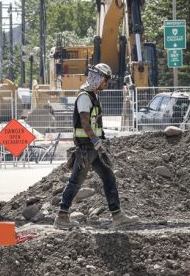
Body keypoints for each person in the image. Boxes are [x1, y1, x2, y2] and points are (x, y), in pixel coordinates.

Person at [54, 63, 140, 230]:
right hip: (86, 148)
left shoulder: (92, 95)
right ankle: (62, 216)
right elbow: (85, 124)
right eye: (105, 81)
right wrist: (96, 141)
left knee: (109, 178)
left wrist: (100, 141)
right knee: (75, 181)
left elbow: (94, 123)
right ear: (98, 79)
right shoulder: (84, 97)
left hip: (93, 148)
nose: (106, 85)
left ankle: (117, 216)